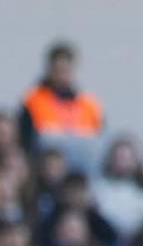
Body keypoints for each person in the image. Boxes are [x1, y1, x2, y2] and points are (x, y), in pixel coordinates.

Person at [19, 43, 104, 172]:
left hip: (80, 176)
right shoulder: (33, 101)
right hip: (44, 173)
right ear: (49, 70)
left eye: (66, 70)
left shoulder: (89, 105)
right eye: (57, 70)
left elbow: (99, 142)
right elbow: (25, 143)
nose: (62, 75)